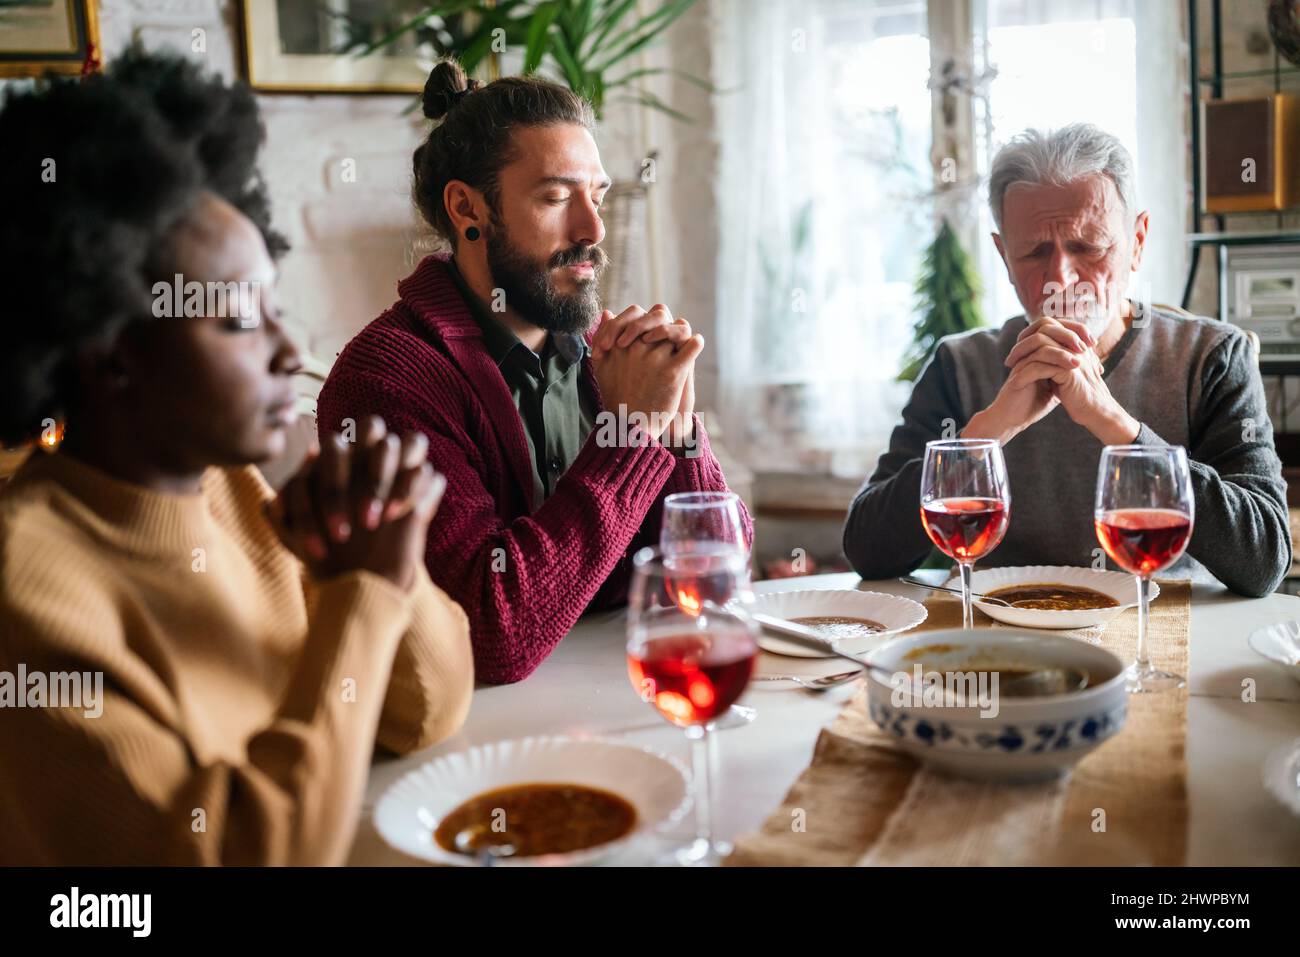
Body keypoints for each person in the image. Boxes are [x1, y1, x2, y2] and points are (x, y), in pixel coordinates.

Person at [0, 49, 473, 865]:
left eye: (277, 308)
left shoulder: (236, 493)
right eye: (238, 321)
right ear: (111, 350)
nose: (292, 349)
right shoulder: (30, 590)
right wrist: (359, 592)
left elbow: (427, 713)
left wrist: (383, 566)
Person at [318, 60, 751, 684]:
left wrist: (678, 433)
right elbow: (490, 637)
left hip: (626, 700)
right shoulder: (387, 381)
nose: (593, 229)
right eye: (555, 197)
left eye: (595, 196)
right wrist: (629, 436)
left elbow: (715, 586)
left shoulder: (614, 357)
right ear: (468, 208)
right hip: (473, 745)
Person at [843, 123, 1290, 596]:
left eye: (1087, 246)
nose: (1060, 276)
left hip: (1162, 635)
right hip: (1003, 643)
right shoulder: (960, 364)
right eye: (1034, 252)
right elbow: (869, 551)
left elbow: (1262, 561)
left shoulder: (1212, 358)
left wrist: (1118, 427)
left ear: (1137, 241)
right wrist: (989, 430)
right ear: (1003, 255)